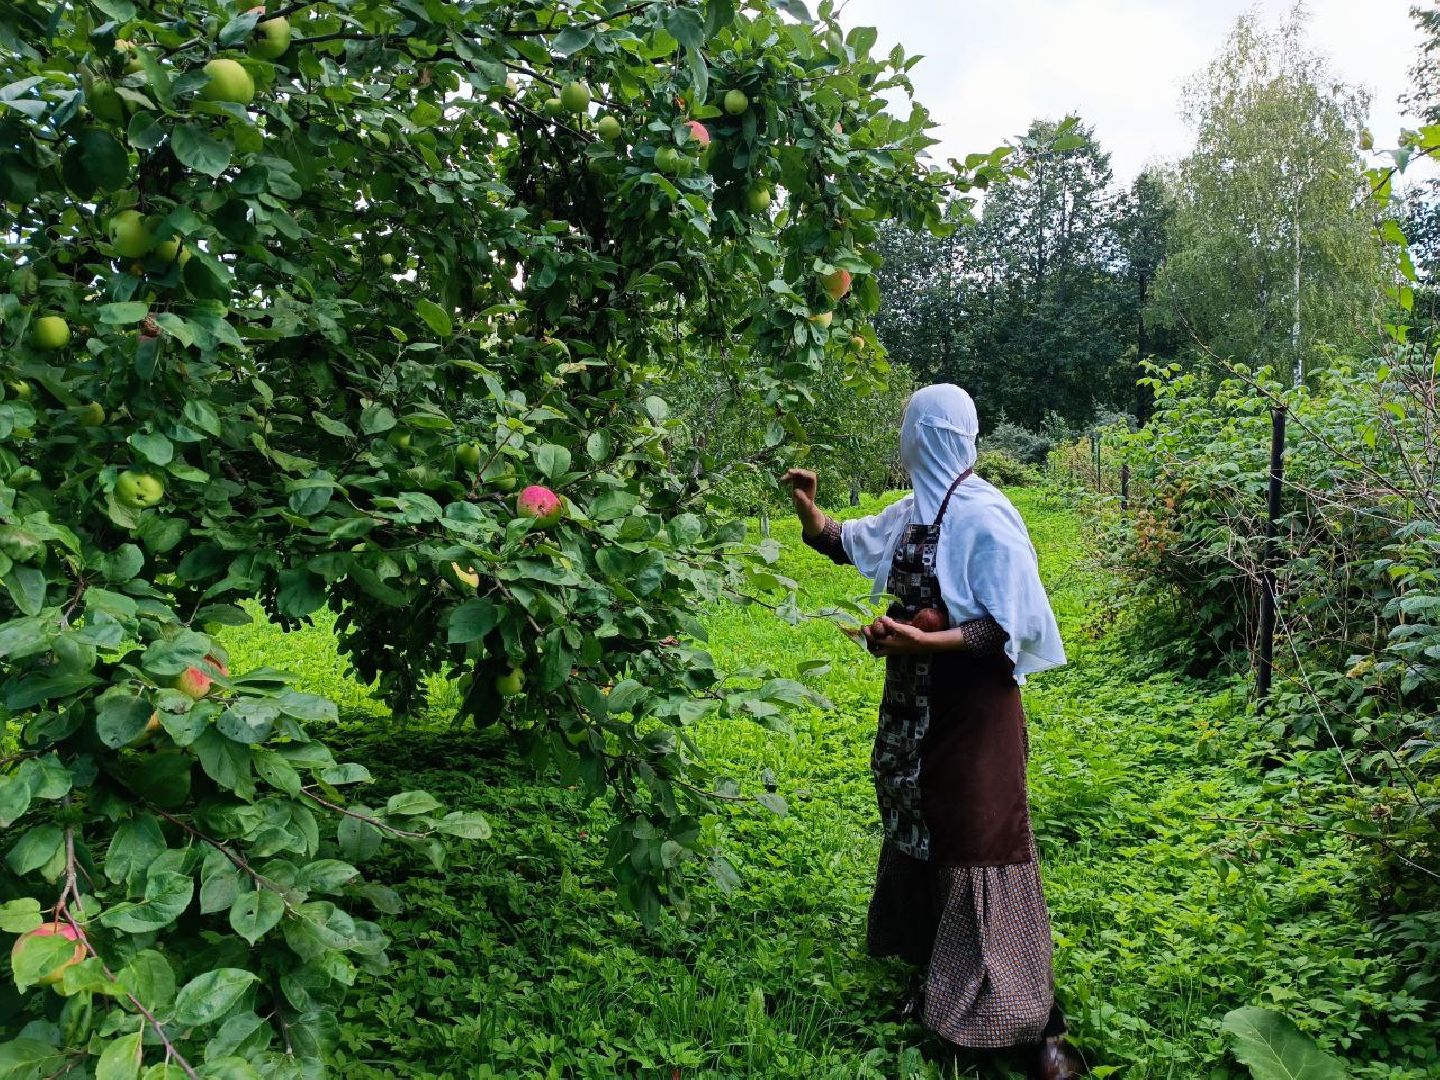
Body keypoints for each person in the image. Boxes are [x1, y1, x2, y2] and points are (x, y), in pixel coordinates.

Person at [784, 384, 1086, 1080]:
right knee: (924, 825)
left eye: (910, 430)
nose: (905, 441)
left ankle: (1034, 1022)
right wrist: (806, 509)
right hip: (915, 707)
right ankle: (942, 983)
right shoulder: (915, 511)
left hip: (973, 712)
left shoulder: (985, 517)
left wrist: (922, 641)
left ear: (932, 436)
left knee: (981, 835)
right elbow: (843, 541)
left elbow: (1002, 628)